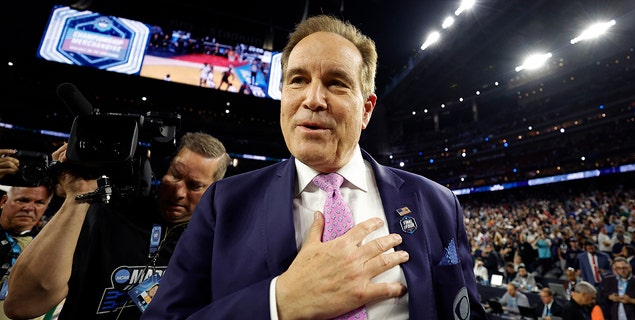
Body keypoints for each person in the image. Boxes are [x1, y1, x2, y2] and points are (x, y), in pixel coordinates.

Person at [141, 15, 487, 319]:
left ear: (366, 110)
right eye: (298, 80)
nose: (313, 99)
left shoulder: (438, 203)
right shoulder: (223, 204)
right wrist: (278, 303)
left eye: (336, 82)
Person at [4, 132, 230, 320]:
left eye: (194, 185)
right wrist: (77, 196)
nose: (179, 192)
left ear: (214, 190)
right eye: (175, 175)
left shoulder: (211, 245)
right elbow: (22, 304)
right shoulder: (105, 214)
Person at [0, 184, 53, 320]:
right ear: (4, 201)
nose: (29, 208)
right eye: (23, 200)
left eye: (39, 202)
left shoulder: (51, 245)